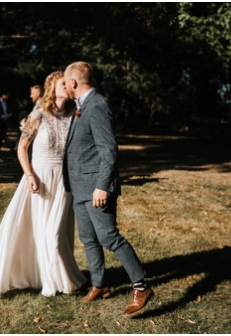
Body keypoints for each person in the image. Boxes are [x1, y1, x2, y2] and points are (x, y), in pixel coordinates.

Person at [0, 71, 86, 298]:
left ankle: (56, 279)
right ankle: (51, 281)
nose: (67, 86)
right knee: (40, 232)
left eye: (68, 84)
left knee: (56, 233)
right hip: (40, 178)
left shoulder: (74, 116)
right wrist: (30, 175)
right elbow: (22, 148)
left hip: (64, 181)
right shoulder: (38, 115)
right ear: (52, 88)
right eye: (62, 83)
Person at [63, 61, 153, 317]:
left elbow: (109, 150)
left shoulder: (97, 106)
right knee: (88, 239)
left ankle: (141, 286)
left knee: (108, 237)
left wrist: (102, 186)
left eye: (66, 83)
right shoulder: (81, 107)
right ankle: (99, 285)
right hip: (80, 187)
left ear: (73, 82)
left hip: (96, 188)